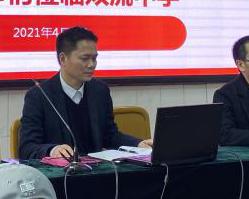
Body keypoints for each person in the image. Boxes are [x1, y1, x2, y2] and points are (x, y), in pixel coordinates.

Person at [19, 26, 152, 160]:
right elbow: (27, 148)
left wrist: (138, 144)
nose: (91, 64)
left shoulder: (100, 90)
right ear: (63, 59)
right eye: (85, 58)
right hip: (59, 171)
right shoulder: (39, 96)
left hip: (95, 169)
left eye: (94, 58)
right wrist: (52, 150)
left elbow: (109, 135)